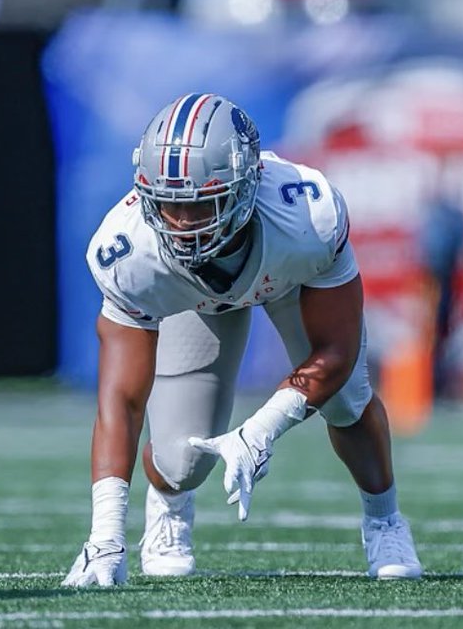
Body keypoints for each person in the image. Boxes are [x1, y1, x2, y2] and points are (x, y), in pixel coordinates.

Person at [63, 94, 422, 586]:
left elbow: (336, 352)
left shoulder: (305, 217)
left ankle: (385, 520)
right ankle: (168, 506)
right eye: (168, 205)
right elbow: (121, 400)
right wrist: (105, 536)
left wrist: (261, 430)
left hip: (288, 278)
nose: (183, 225)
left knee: (347, 401)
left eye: (201, 204)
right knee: (181, 459)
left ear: (245, 185)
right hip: (194, 299)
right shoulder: (128, 251)